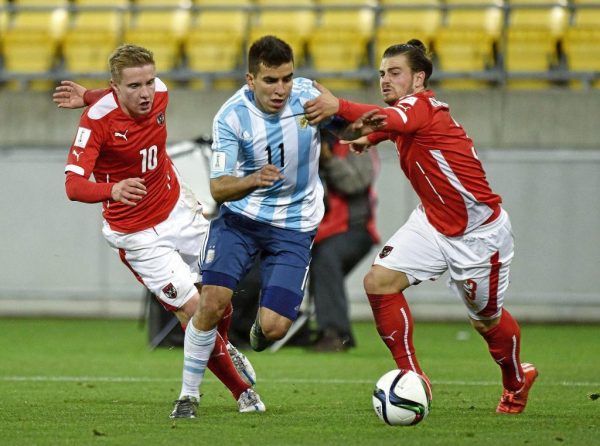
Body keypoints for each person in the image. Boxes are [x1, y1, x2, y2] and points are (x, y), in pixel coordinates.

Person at [304, 39, 538, 414]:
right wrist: (333, 124)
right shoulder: (403, 116)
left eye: (395, 73)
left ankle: (516, 379)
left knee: (486, 321)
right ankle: (412, 376)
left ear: (418, 78)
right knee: (378, 282)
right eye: (382, 73)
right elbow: (369, 130)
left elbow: (386, 120)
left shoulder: (422, 107)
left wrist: (340, 107)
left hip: (478, 235)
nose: (385, 80)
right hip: (431, 222)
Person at [54, 44, 263, 417]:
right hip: (138, 235)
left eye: (149, 81)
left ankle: (222, 343)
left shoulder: (161, 92)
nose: (147, 92)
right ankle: (242, 392)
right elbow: (72, 186)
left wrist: (88, 93)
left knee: (221, 292)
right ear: (115, 88)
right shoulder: (95, 122)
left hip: (178, 209)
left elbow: (130, 89)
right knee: (195, 309)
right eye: (134, 86)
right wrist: (112, 189)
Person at [170, 35, 335, 419]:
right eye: (270, 81)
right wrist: (253, 179)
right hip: (242, 219)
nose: (281, 89)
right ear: (250, 79)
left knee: (275, 329)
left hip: (295, 224)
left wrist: (359, 133)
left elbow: (340, 115)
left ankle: (257, 334)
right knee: (212, 301)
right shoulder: (231, 117)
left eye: (287, 79)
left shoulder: (308, 95)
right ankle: (188, 396)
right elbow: (218, 188)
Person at [309, 133, 380, 352]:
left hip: (354, 230)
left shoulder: (354, 145)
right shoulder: (303, 147)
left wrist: (329, 161)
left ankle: (336, 333)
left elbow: (354, 183)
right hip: (317, 232)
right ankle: (243, 329)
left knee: (325, 259)